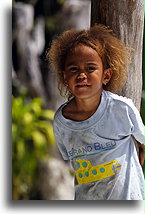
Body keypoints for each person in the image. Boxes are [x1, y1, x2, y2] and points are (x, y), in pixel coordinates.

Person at [46, 24, 144, 200]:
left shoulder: (121, 109)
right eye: (73, 69)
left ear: (106, 76)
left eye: (90, 68)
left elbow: (142, 143)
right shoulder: (62, 121)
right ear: (65, 78)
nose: (82, 75)